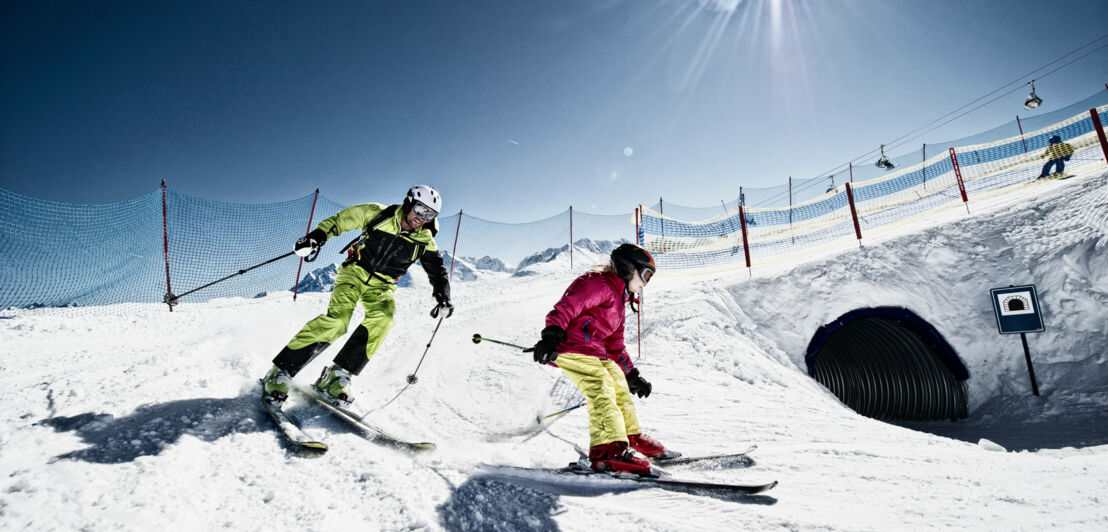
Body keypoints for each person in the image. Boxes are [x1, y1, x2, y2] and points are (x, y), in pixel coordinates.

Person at [261, 185, 453, 407]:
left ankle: (336, 376)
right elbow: (340, 220)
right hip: (354, 273)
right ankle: (280, 371)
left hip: (383, 286)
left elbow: (437, 271)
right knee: (338, 321)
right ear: (408, 202)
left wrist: (443, 297)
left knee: (383, 319)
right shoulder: (377, 214)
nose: (423, 218)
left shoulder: (425, 240)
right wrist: (317, 237)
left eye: (430, 214)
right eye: (420, 210)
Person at [531, 243, 673, 475]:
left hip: (596, 352)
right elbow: (566, 307)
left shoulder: (620, 300)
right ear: (629, 268)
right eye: (645, 275)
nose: (645, 283)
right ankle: (606, 449)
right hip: (571, 347)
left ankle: (628, 437)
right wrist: (551, 336)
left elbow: (615, 345)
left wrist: (632, 375)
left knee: (617, 382)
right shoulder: (596, 283)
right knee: (601, 385)